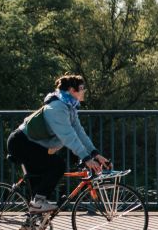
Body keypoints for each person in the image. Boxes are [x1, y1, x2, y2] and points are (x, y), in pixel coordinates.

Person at [6, 74, 110, 213]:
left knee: (40, 188)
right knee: (57, 166)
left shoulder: (69, 107)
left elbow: (79, 133)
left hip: (33, 144)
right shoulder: (57, 108)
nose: (84, 91)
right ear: (72, 91)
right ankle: (37, 204)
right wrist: (86, 158)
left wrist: (95, 153)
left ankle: (31, 224)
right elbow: (69, 136)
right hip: (21, 143)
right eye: (81, 88)